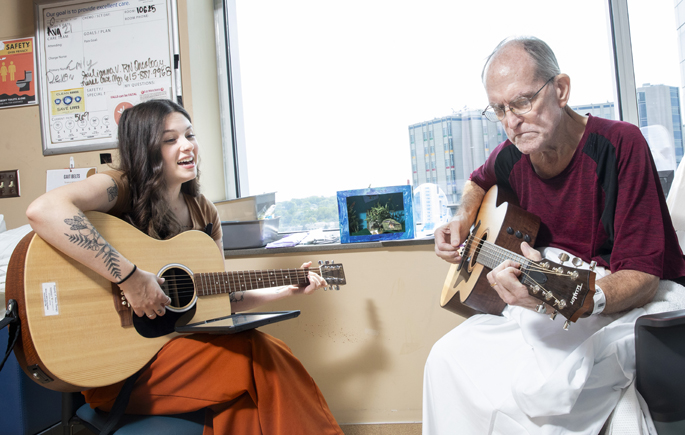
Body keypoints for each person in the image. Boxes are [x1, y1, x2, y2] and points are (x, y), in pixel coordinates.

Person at [26, 99, 344, 435]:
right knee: (261, 355)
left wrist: (285, 289)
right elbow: (44, 210)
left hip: (179, 354)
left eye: (189, 135)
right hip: (118, 368)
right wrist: (130, 279)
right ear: (145, 149)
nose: (187, 145)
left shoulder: (204, 212)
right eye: (170, 139)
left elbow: (220, 298)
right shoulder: (119, 187)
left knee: (248, 395)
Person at [423, 36, 685, 434]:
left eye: (523, 102)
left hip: (622, 299)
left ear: (560, 90)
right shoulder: (513, 153)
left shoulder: (620, 145)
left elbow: (644, 276)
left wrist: (571, 299)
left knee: (548, 395)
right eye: (499, 109)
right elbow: (478, 181)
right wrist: (461, 222)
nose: (511, 122)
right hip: (547, 298)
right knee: (445, 359)